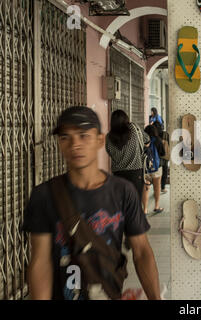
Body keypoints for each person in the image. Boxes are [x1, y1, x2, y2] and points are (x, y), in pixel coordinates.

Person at [22, 106, 160, 300]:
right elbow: (40, 261)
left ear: (100, 140)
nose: (74, 145)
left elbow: (141, 251)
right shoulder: (44, 195)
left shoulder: (122, 192)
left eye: (83, 135)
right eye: (65, 137)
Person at [106, 110, 148, 200]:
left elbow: (109, 152)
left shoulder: (108, 137)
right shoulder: (133, 129)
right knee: (135, 203)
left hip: (118, 174)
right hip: (135, 173)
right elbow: (147, 140)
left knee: (121, 204)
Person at [142, 124, 165, 214]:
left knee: (145, 188)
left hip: (145, 168)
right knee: (157, 187)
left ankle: (145, 209)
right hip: (156, 168)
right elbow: (163, 153)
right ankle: (156, 206)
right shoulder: (158, 140)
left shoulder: (142, 140)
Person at [154, 121, 170, 194]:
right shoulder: (166, 134)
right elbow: (169, 144)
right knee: (165, 171)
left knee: (157, 173)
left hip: (157, 156)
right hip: (165, 156)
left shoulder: (154, 135)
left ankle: (156, 189)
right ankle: (162, 187)